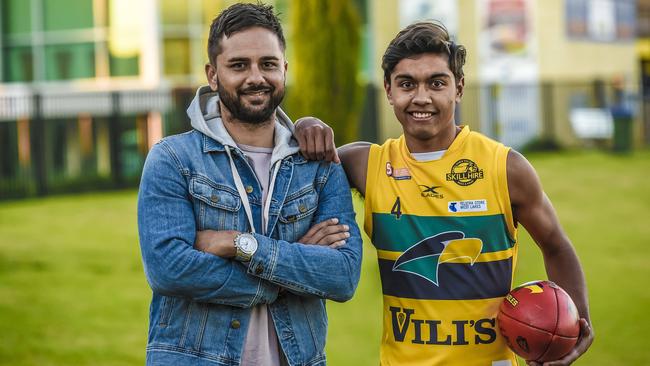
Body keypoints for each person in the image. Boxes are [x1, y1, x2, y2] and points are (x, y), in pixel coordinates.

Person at [295, 21, 594, 365]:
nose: (421, 97)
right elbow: (291, 182)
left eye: (437, 83)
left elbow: (555, 244)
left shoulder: (506, 167)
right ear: (389, 90)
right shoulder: (364, 165)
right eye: (407, 84)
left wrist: (576, 322)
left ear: (459, 88)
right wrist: (305, 124)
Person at [137, 3, 362, 366]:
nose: (256, 77)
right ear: (213, 75)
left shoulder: (320, 164)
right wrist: (292, 269)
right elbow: (169, 269)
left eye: (268, 64)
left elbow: (343, 276)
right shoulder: (173, 159)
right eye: (239, 65)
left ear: (284, 69)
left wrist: (238, 244)